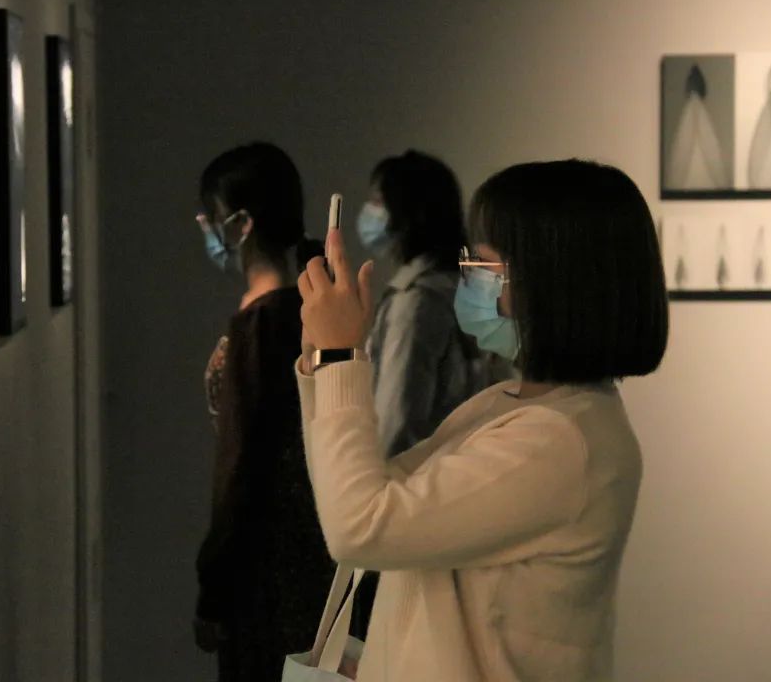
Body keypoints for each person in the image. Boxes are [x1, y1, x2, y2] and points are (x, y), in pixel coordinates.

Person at [296, 159, 669, 680]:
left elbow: (359, 526)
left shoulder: (559, 440)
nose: (466, 272)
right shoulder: (508, 403)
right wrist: (322, 360)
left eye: (485, 263)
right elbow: (361, 493)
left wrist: (340, 358)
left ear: (549, 285)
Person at [350, 150, 508, 640]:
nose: (370, 212)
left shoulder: (416, 301)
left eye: (378, 201)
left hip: (406, 513)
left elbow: (395, 423)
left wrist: (358, 500)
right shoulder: (469, 291)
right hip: (463, 504)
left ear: (407, 212)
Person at [192, 142, 335, 681]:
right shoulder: (304, 309)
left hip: (265, 577)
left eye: (212, 216)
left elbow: (240, 469)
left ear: (242, 222)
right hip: (308, 558)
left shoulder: (260, 326)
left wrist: (213, 587)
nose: (206, 229)